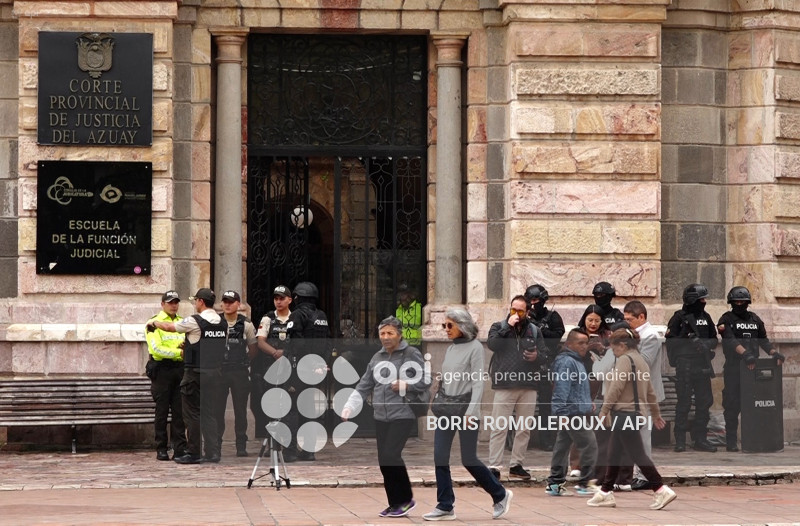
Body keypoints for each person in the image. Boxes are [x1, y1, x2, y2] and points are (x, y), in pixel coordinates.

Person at [423, 308, 512, 521]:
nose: (446, 329)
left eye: (449, 325)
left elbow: (477, 382)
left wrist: (472, 412)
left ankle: (500, 494)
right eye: (444, 325)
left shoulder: (475, 348)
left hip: (466, 411)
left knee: (469, 459)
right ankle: (445, 505)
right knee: (439, 457)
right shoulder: (452, 348)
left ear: (462, 325)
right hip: (447, 409)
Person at [341, 316, 429, 518]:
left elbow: (426, 379)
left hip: (403, 413)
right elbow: (364, 385)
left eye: (390, 333)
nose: (386, 337)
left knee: (391, 455)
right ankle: (394, 503)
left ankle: (406, 499)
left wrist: (406, 385)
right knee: (384, 460)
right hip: (381, 415)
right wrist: (349, 407)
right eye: (382, 333)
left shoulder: (411, 354)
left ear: (399, 334)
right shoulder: (377, 358)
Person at [587, 328, 677, 510]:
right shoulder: (641, 361)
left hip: (625, 413)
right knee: (613, 452)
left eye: (614, 348)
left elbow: (616, 388)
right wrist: (656, 414)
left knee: (638, 454)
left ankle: (660, 489)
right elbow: (650, 392)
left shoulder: (625, 360)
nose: (613, 352)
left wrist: (604, 411)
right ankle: (605, 492)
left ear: (622, 345)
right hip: (634, 414)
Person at [146, 287, 226, 464]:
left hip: (195, 373)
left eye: (196, 300)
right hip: (214, 374)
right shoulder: (222, 322)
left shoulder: (194, 320)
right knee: (210, 413)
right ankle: (213, 452)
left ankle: (194, 451)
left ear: (201, 302)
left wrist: (153, 324)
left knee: (192, 414)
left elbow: (168, 327)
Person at [486, 294, 547, 481]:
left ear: (528, 312)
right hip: (505, 384)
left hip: (528, 385)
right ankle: (494, 466)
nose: (517, 314)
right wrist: (508, 327)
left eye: (521, 311)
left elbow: (545, 354)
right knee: (499, 426)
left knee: (523, 428)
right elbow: (493, 344)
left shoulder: (535, 331)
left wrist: (536, 356)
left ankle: (516, 464)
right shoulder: (498, 327)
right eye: (514, 310)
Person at [717, 286, 785, 452]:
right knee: (732, 405)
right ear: (731, 303)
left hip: (753, 369)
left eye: (742, 301)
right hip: (734, 368)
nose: (739, 304)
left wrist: (774, 353)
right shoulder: (726, 319)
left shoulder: (755, 320)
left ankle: (755, 438)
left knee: (755, 404)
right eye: (736, 301)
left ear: (747, 302)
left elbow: (764, 341)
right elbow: (730, 341)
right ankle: (731, 441)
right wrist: (745, 354)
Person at [544, 328, 598, 497]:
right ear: (569, 344)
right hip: (571, 413)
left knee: (562, 447)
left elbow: (578, 387)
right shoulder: (567, 362)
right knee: (590, 444)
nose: (584, 346)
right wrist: (560, 414)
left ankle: (555, 483)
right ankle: (586, 483)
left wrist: (587, 402)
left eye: (586, 343)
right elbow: (561, 389)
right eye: (580, 343)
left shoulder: (577, 361)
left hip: (574, 411)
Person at [665, 283, 719, 453]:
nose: (704, 302)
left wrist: (705, 344)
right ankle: (680, 440)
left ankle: (700, 439)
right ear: (692, 300)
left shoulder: (706, 317)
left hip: (702, 364)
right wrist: (685, 340)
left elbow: (714, 339)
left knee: (704, 402)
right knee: (684, 402)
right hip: (685, 365)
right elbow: (670, 342)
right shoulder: (679, 318)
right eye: (701, 299)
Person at [286, 281, 331, 461]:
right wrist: (321, 364)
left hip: (299, 369)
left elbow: (294, 344)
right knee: (310, 410)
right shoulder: (322, 316)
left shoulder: (297, 315)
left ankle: (289, 452)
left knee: (292, 410)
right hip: (316, 370)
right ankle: (310, 451)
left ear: (298, 297)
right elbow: (328, 343)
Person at [622, 300, 664, 491]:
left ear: (641, 317)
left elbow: (644, 362)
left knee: (643, 436)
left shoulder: (650, 336)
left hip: (646, 395)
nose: (627, 323)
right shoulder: (635, 335)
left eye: (630, 319)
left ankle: (644, 475)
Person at [145, 290, 188, 461]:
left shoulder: (183, 322)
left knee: (179, 412)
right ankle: (161, 448)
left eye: (176, 302)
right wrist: (179, 352)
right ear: (163, 304)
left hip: (179, 369)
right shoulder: (153, 323)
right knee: (161, 412)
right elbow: (156, 348)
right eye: (170, 302)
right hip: (161, 370)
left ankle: (179, 448)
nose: (174, 305)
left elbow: (187, 344)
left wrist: (181, 353)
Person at [216, 290, 258, 457]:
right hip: (220, 371)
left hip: (239, 371)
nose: (227, 304)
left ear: (239, 304)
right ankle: (216, 444)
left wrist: (244, 361)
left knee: (240, 410)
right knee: (217, 410)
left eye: (231, 301)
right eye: (225, 301)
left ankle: (241, 445)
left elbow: (253, 348)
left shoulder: (246, 324)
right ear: (221, 304)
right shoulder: (216, 322)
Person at [525, 284, 565, 451]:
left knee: (545, 406)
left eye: (536, 300)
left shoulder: (552, 317)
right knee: (522, 403)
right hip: (526, 365)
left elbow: (557, 336)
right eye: (530, 300)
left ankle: (546, 439)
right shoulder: (522, 316)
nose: (533, 304)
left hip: (546, 365)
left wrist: (541, 329)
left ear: (543, 300)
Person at [252, 285, 292, 447]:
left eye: (282, 298)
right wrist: (276, 353)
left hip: (289, 368)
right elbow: (260, 342)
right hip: (270, 369)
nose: (278, 302)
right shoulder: (268, 318)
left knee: (288, 406)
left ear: (289, 300)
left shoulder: (295, 318)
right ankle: (273, 443)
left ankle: (287, 441)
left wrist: (287, 354)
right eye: (276, 298)